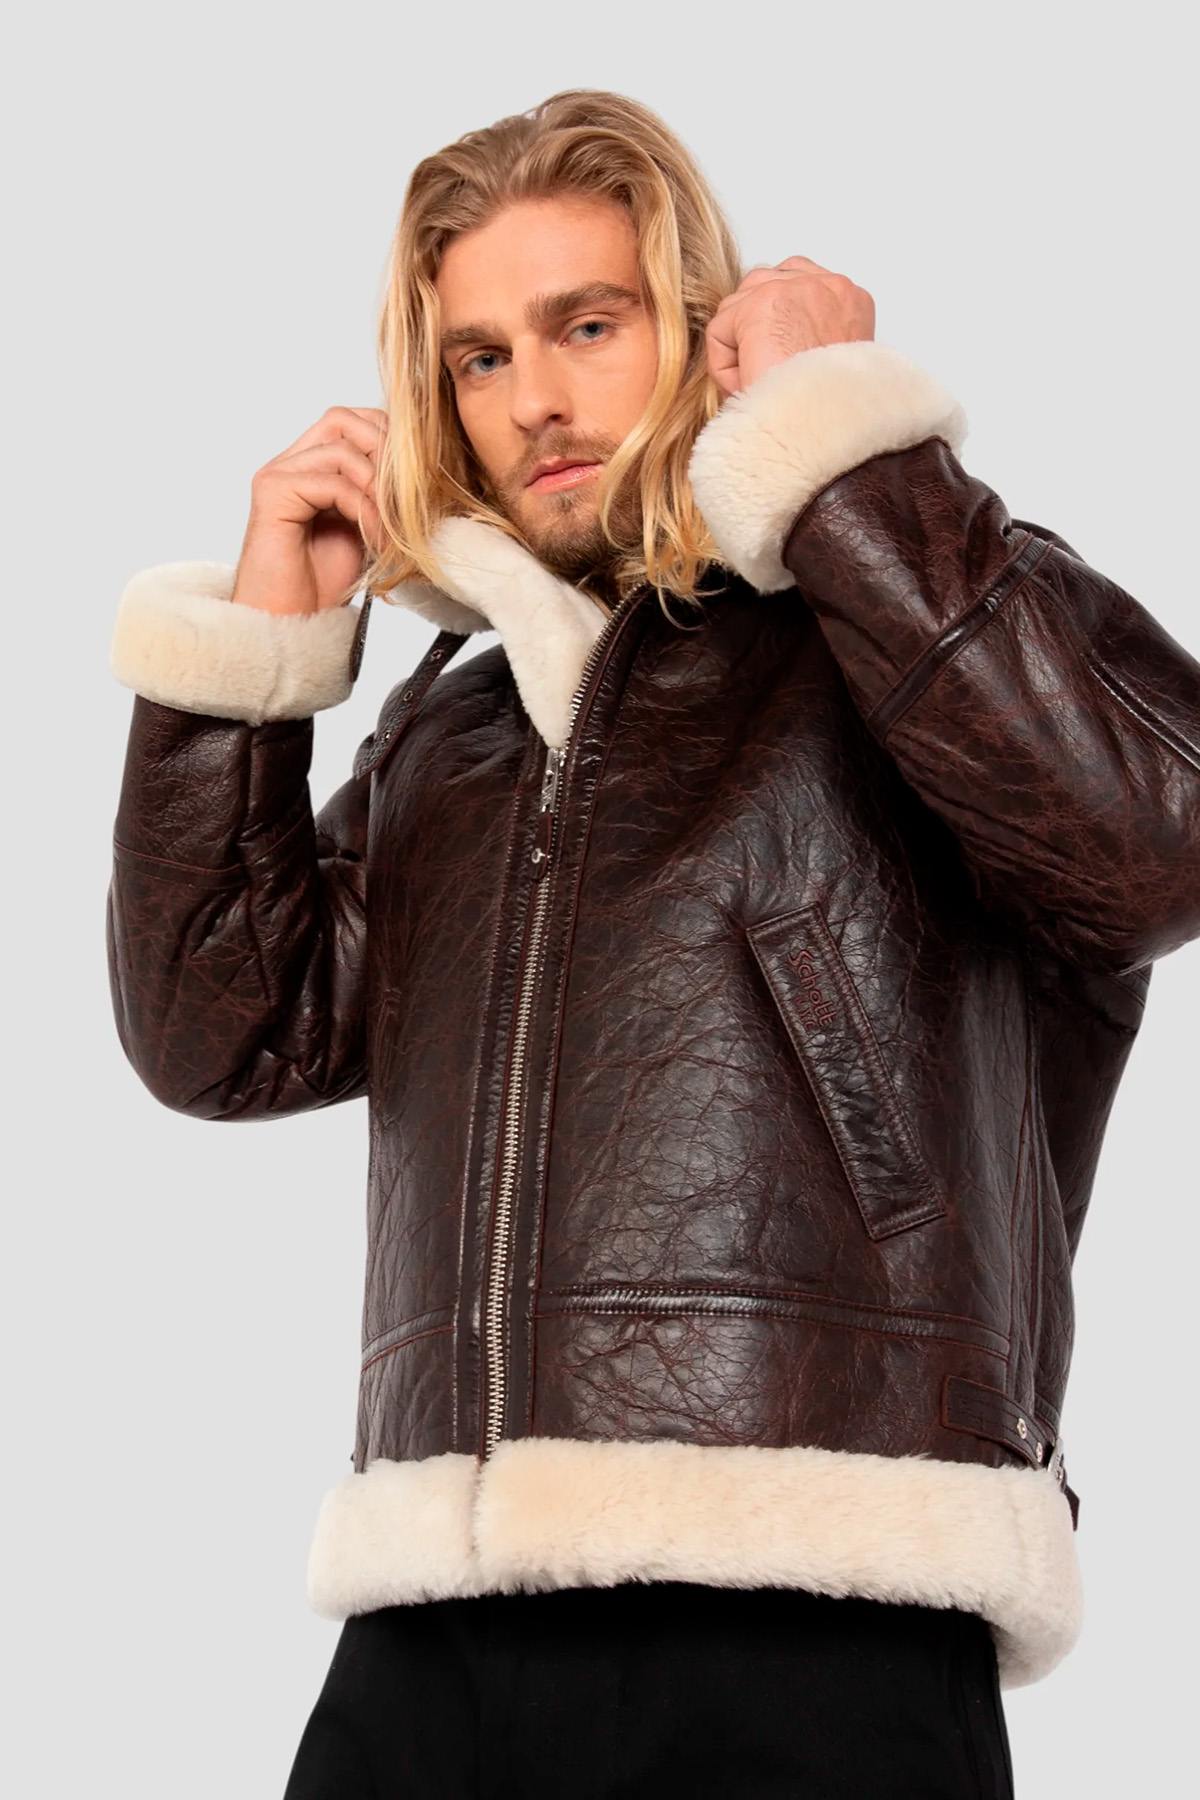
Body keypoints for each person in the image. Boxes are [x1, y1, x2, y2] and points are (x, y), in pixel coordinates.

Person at [104, 88, 1200, 1798]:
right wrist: (253, 668)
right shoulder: (457, 728)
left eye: (588, 326)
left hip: (822, 1593)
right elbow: (221, 1039)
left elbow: (1152, 845)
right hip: (437, 1611)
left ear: (702, 329)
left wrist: (847, 454)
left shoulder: (899, 609)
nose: (534, 398)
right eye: (478, 358)